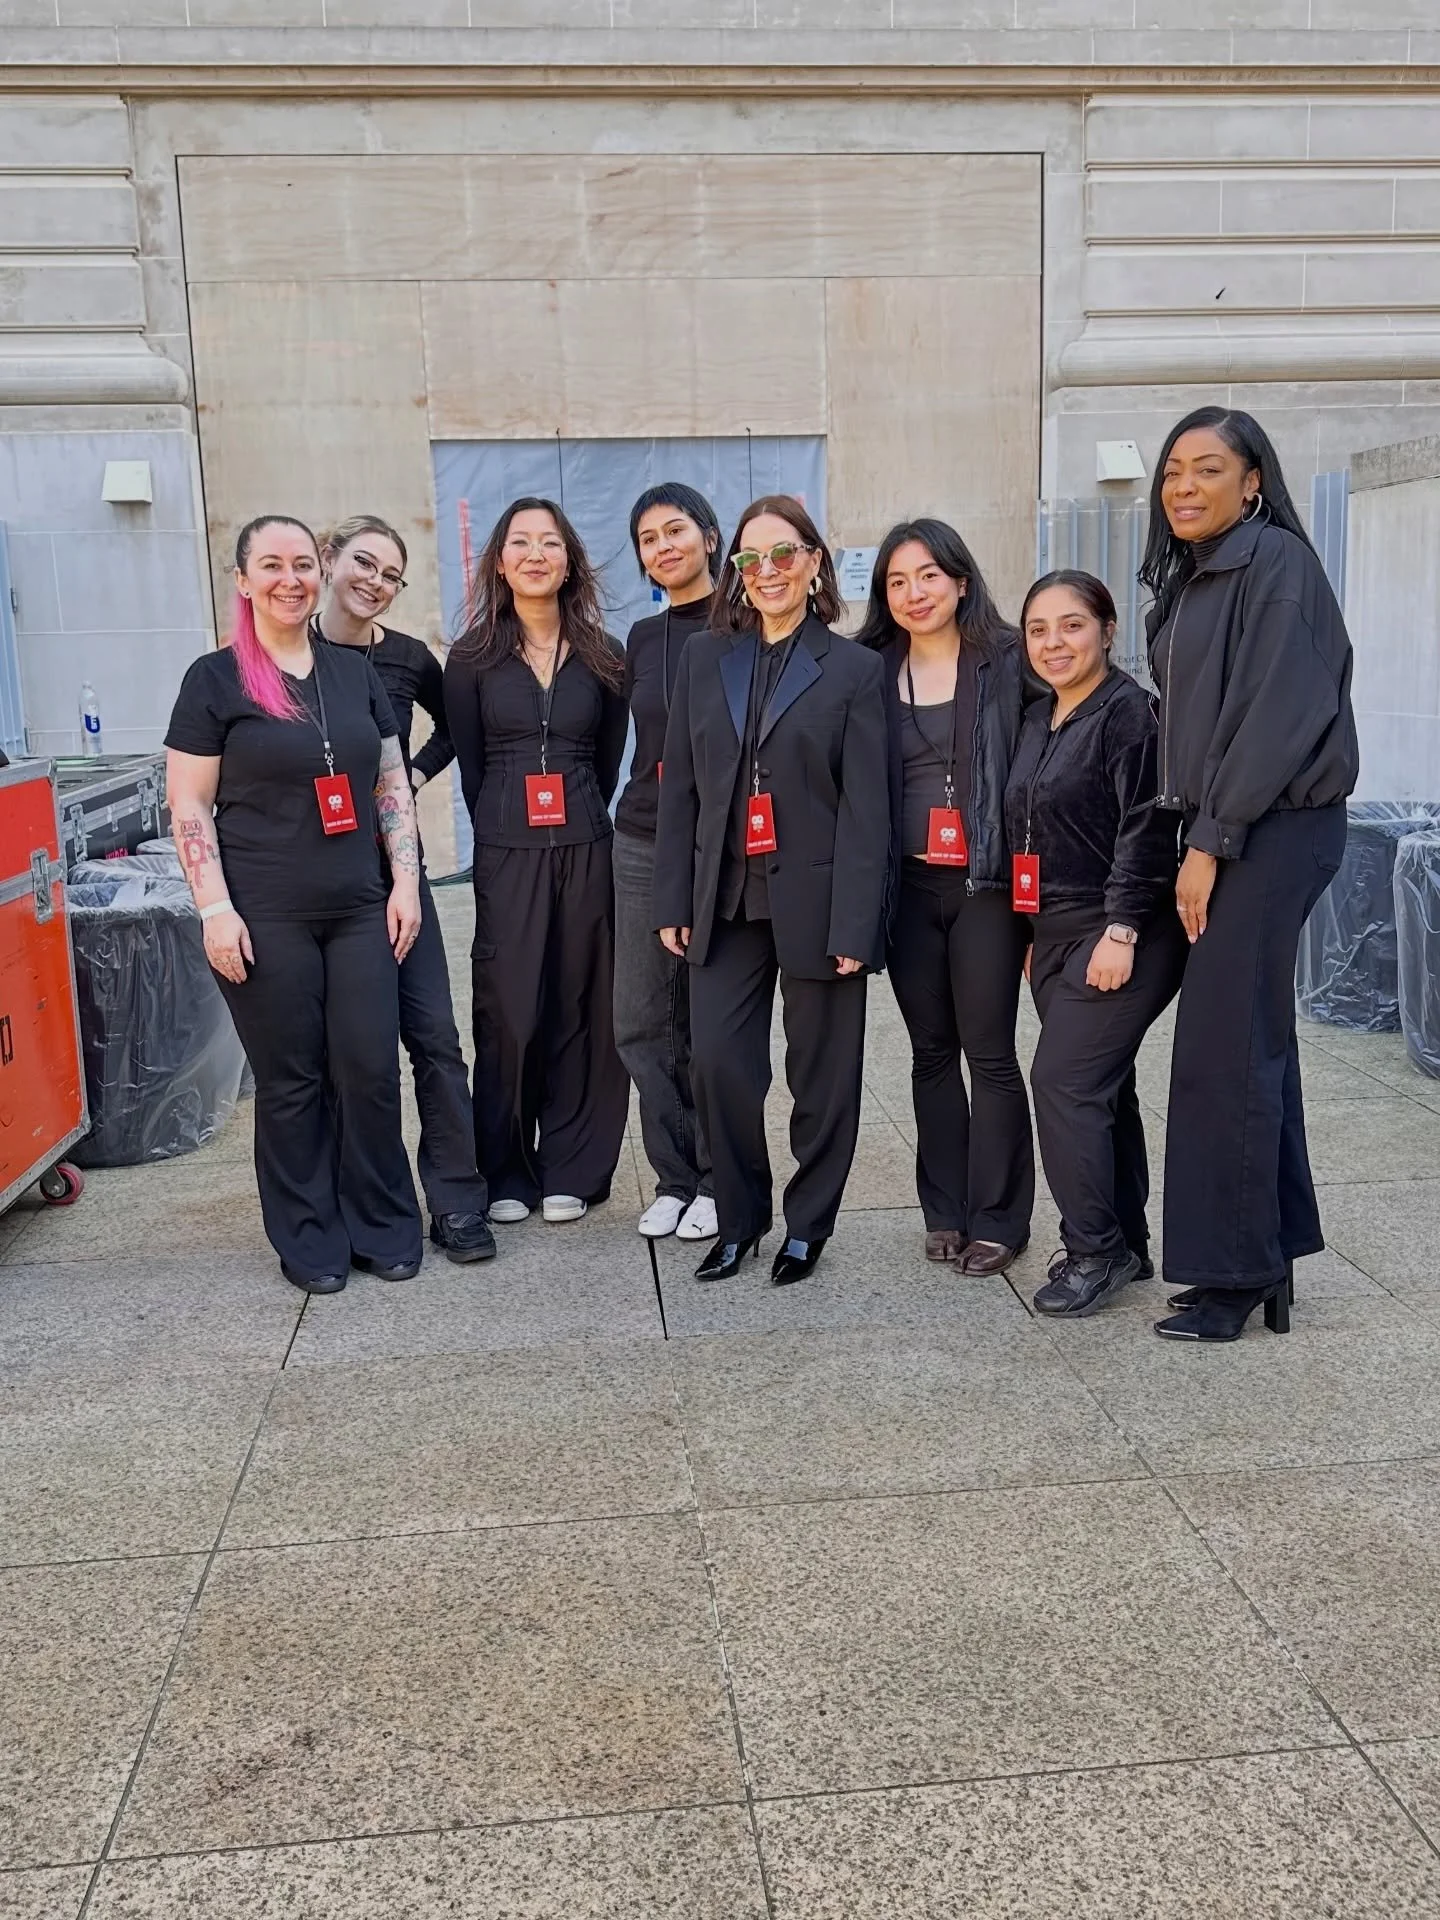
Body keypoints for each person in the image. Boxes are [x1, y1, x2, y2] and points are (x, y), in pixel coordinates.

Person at [1143, 407, 1359, 1342]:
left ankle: (1231, 1278)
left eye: (1208, 469)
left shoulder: (1275, 565)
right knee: (1250, 1043)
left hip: (1267, 830)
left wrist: (1209, 844)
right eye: (1172, 471)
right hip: (1234, 827)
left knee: (1223, 1052)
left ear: (1254, 481)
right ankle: (1266, 1257)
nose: (1184, 486)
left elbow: (1275, 717)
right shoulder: (1202, 575)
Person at [165, 513, 423, 1294]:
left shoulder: (352, 674)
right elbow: (188, 805)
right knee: (292, 1080)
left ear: (321, 572)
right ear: (244, 581)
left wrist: (405, 882)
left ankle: (382, 1224)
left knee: (369, 1068)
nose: (291, 579)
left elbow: (389, 781)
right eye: (272, 565)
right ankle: (309, 1238)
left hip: (359, 908)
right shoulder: (213, 680)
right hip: (264, 915)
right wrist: (214, 910)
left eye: (303, 563)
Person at [653, 494, 889, 1286]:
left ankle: (808, 1225)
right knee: (719, 1065)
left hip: (819, 903)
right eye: (750, 558)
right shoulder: (705, 659)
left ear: (814, 561)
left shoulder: (855, 670)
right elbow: (680, 790)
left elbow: (867, 810)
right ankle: (741, 1218)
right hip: (724, 900)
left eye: (783, 553)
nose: (767, 570)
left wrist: (858, 923)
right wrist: (673, 900)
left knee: (822, 1074)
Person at [443, 496, 630, 1225]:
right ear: (500, 562)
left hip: (587, 846)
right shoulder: (471, 657)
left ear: (570, 561)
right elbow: (471, 764)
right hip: (506, 850)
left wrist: (576, 812)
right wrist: (507, 824)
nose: (535, 554)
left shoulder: (604, 655)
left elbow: (608, 759)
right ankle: (507, 1171)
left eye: (550, 542)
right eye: (519, 542)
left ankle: (573, 1167)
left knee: (584, 1004)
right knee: (510, 1008)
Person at [314, 514, 494, 1265]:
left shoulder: (410, 658)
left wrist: (410, 777)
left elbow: (456, 730)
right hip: (320, 881)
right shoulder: (289, 656)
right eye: (364, 563)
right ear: (328, 559)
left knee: (435, 1039)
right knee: (352, 1056)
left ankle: (457, 1201)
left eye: (391, 575)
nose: (376, 582)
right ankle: (366, 1205)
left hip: (399, 871)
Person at [1006, 571, 1188, 1317]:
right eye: (1039, 629)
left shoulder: (1129, 715)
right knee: (1104, 1088)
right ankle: (1128, 1243)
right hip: (1053, 933)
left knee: (1064, 1083)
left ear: (1108, 631)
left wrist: (1121, 929)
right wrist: (1034, 931)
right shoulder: (1038, 717)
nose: (1054, 643)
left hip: (1120, 929)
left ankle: (1093, 1250)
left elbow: (1148, 828)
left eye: (1072, 625)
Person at [857, 519, 1033, 1273]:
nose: (914, 593)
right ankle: (945, 1211)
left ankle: (1000, 1218)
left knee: (989, 1051)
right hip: (906, 887)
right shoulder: (868, 670)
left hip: (985, 884)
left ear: (961, 581)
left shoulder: (1009, 661)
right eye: (897, 581)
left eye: (928, 575)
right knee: (930, 1052)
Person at [612, 484, 720, 1243]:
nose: (663, 546)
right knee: (643, 1018)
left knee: (712, 1020)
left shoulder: (745, 626)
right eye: (648, 539)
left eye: (675, 530)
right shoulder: (643, 638)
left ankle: (718, 1176)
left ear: (709, 537)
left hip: (721, 845)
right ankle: (675, 1179)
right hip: (643, 840)